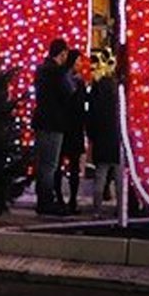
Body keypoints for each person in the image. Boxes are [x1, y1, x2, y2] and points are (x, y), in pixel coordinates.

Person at [32, 37, 72, 215]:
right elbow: (69, 91)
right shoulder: (57, 73)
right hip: (54, 122)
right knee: (50, 165)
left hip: (41, 120)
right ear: (62, 53)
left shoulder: (41, 70)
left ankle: (42, 198)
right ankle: (46, 202)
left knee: (42, 164)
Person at [87, 48, 121, 214]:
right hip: (117, 137)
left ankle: (97, 208)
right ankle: (121, 208)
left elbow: (91, 114)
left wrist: (91, 135)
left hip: (101, 136)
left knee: (100, 174)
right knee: (119, 175)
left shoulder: (97, 89)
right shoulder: (119, 91)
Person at [59, 48, 88, 213]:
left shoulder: (75, 80)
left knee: (72, 165)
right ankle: (67, 200)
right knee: (70, 165)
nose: (80, 64)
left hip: (71, 127)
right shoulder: (70, 81)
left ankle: (70, 200)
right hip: (70, 127)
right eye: (78, 61)